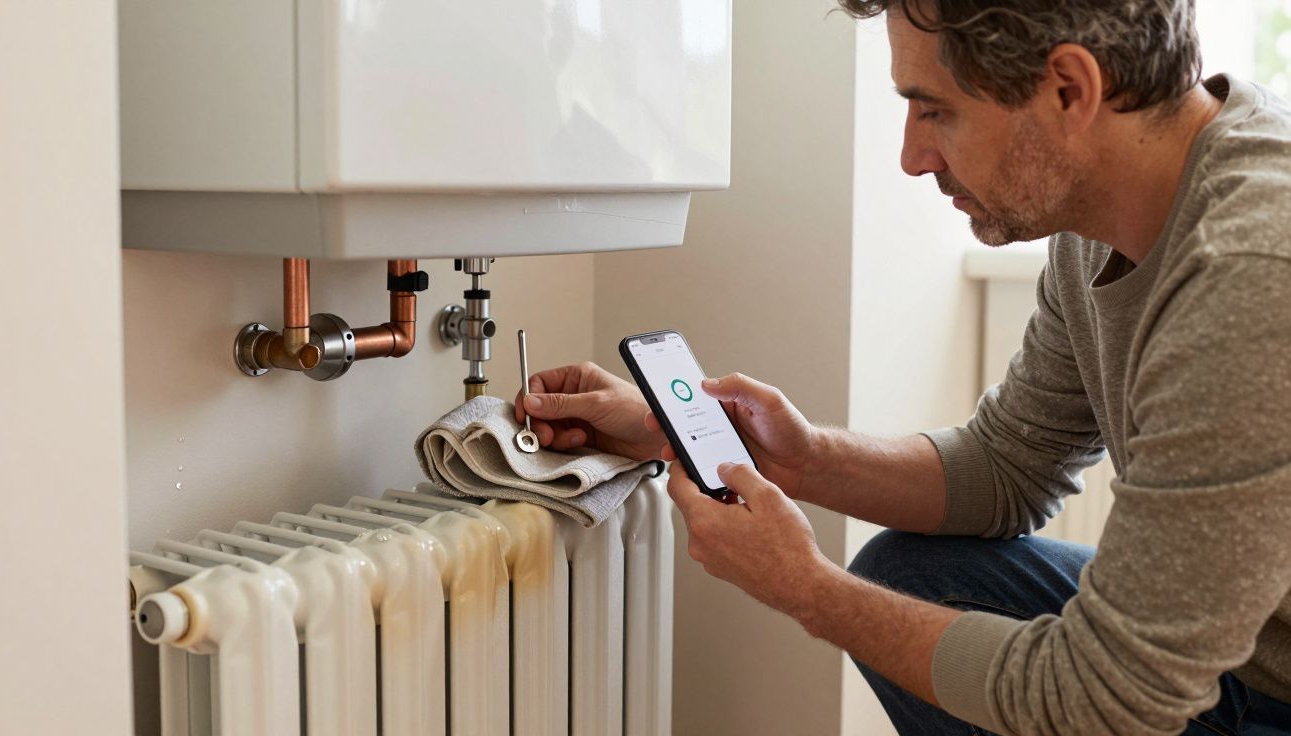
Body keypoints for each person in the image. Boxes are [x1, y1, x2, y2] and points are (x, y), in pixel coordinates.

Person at [514, 1, 1291, 733]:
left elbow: (1104, 701)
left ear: (1068, 89)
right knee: (909, 571)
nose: (913, 157)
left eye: (935, 110)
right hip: (1238, 658)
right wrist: (790, 456)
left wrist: (806, 589)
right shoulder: (1102, 219)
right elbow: (1007, 469)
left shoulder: (1252, 273)